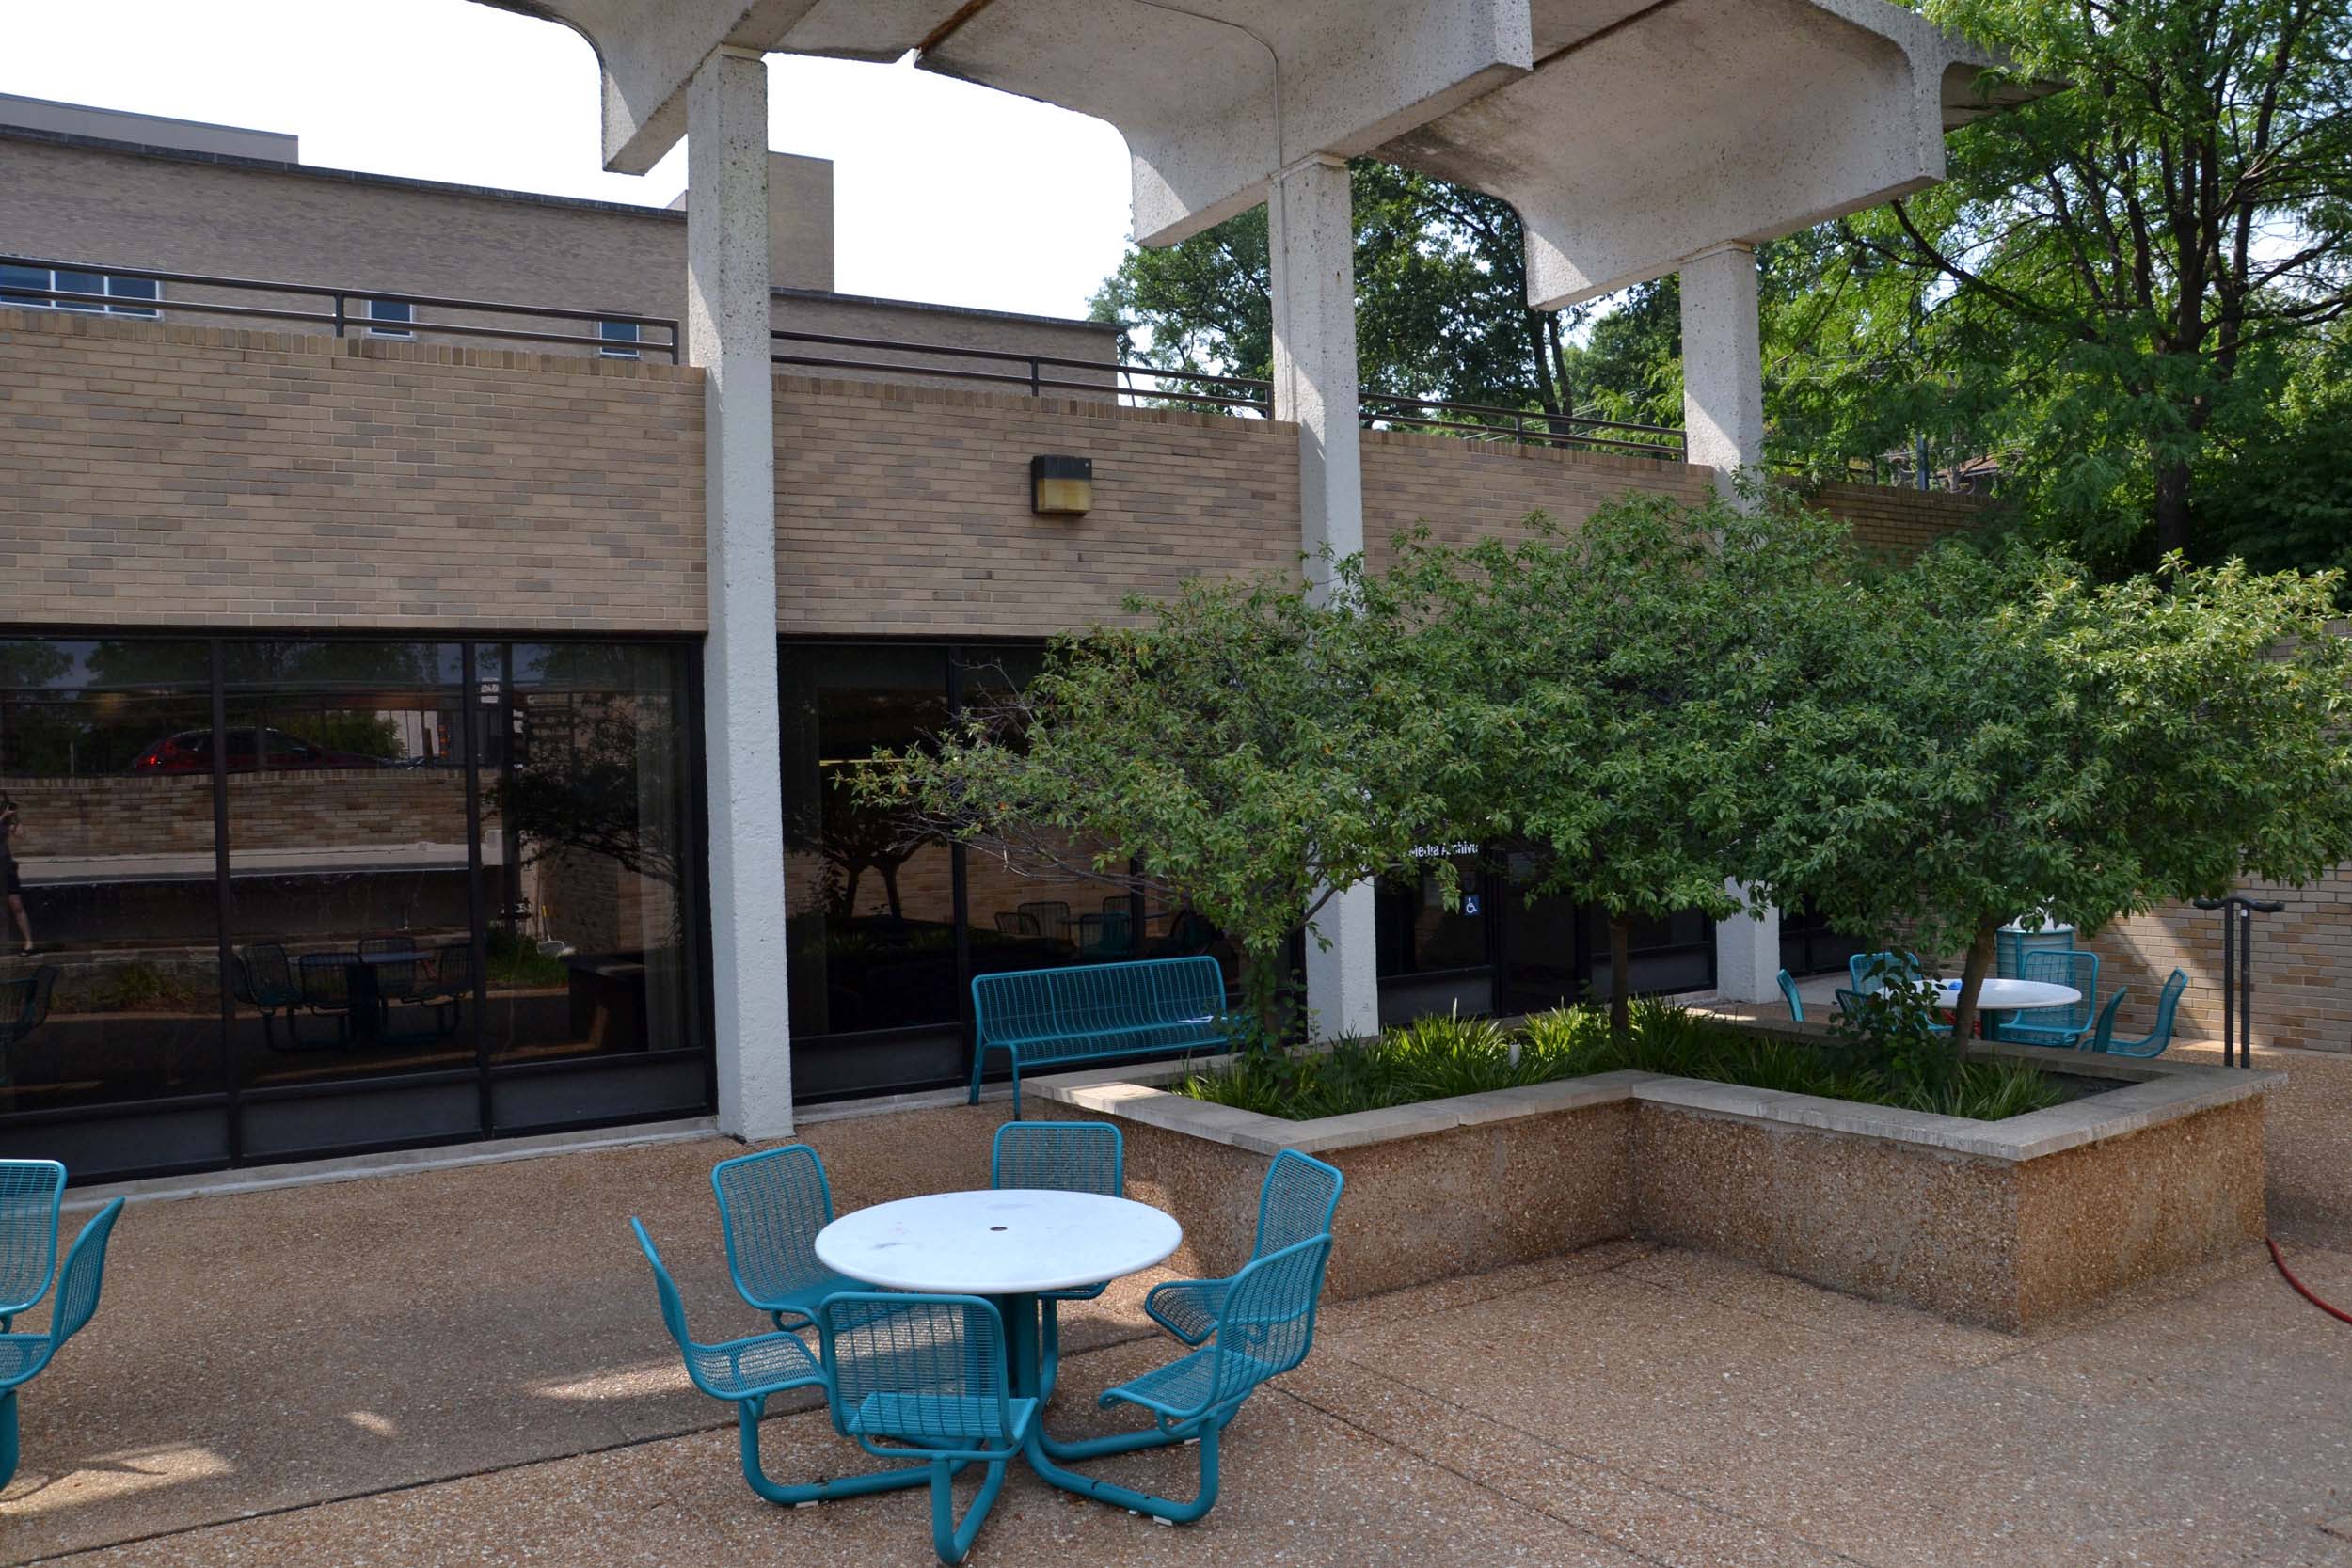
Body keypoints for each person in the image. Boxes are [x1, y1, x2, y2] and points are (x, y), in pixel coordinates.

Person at [0, 800, 29, 955]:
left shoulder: (6, 823)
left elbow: (21, 836)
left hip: (6, 868)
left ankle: (28, 942)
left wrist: (16, 818)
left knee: (17, 905)